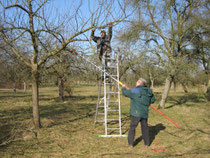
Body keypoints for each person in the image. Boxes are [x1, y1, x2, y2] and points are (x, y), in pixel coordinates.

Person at [122, 78, 155, 147]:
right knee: (145, 128)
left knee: (132, 128)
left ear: (139, 83)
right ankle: (147, 143)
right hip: (144, 113)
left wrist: (123, 88)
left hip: (136, 113)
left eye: (136, 83)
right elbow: (152, 100)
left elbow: (125, 93)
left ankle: (130, 143)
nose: (136, 84)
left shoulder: (135, 90)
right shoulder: (149, 91)